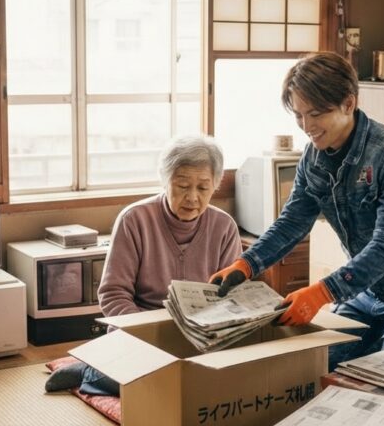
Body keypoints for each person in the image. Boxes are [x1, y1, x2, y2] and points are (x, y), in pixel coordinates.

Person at [209, 52, 384, 369]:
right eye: (298, 115)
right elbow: (292, 222)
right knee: (315, 368)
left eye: (316, 114)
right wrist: (246, 263)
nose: (306, 126)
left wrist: (322, 292)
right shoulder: (313, 158)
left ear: (348, 104)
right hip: (365, 291)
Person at [46, 135, 242, 394]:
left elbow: (232, 297)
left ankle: (99, 368)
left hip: (200, 335)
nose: (192, 197)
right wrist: (149, 333)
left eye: (203, 188)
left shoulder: (224, 226)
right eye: (182, 185)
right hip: (141, 335)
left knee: (220, 382)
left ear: (216, 185)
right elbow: (113, 293)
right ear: (165, 180)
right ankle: (91, 371)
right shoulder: (134, 219)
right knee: (150, 384)